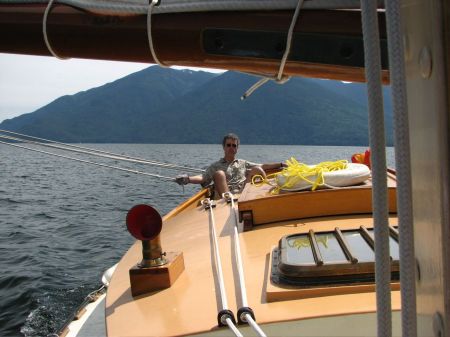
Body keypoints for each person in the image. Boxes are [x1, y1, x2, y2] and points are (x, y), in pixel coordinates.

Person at [175, 133, 286, 197]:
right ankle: (228, 200)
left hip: (243, 192)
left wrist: (280, 164)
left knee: (257, 169)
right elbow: (203, 177)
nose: (231, 148)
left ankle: (265, 196)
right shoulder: (216, 165)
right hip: (226, 196)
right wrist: (187, 179)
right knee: (219, 174)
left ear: (237, 149)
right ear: (224, 147)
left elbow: (263, 166)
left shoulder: (243, 163)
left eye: (234, 145)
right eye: (228, 145)